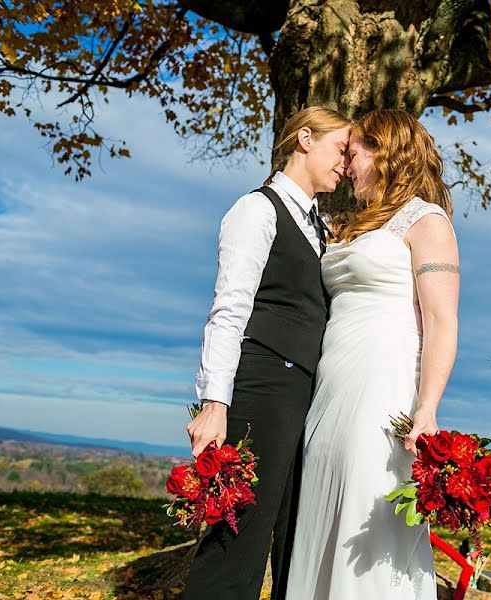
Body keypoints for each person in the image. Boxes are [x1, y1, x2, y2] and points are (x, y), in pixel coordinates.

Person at [286, 108, 460, 599]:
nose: (347, 166)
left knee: (367, 513)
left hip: (383, 386)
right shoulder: (353, 223)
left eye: (355, 152)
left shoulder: (427, 221)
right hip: (331, 388)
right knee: (324, 509)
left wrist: (426, 408)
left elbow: (442, 321)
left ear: (385, 153)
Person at [183, 106, 351, 600]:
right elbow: (228, 310)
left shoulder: (320, 225)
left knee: (294, 537)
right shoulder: (256, 210)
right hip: (263, 385)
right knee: (241, 533)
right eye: (341, 148)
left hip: (304, 393)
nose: (347, 163)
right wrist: (215, 405)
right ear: (304, 138)